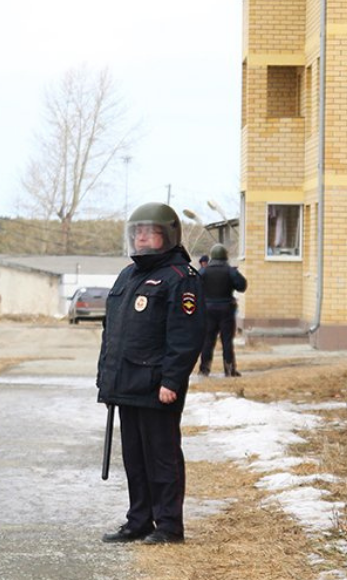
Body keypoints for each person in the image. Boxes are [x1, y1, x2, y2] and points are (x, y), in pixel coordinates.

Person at [97, 202, 207, 545]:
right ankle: (139, 521)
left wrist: (172, 381)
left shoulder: (181, 279)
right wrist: (106, 381)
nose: (142, 238)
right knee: (135, 458)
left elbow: (186, 338)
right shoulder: (127, 276)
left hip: (158, 387)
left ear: (168, 235)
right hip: (126, 385)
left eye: (151, 231)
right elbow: (112, 332)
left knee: (162, 458)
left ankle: (170, 526)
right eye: (138, 232)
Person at [197, 243, 248, 378]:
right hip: (226, 310)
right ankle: (229, 370)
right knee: (227, 341)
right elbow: (242, 286)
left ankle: (204, 369)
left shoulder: (203, 271)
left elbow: (194, 287)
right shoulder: (231, 271)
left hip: (208, 310)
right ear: (225, 256)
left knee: (208, 340)